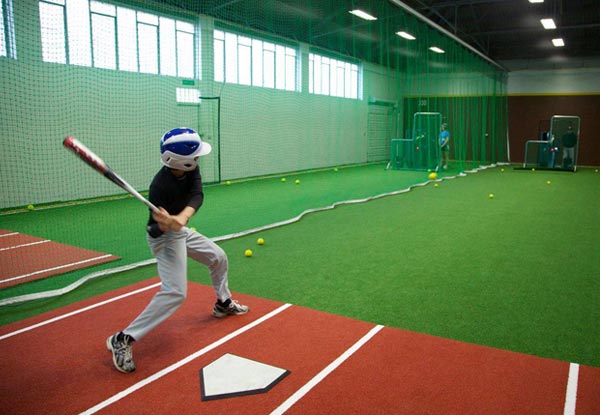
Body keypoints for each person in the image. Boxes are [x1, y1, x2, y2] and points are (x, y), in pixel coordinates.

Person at [107, 127, 249, 373]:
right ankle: (123, 338)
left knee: (217, 257)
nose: (198, 159)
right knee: (176, 292)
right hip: (163, 239)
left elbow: (197, 195)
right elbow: (153, 230)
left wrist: (181, 217)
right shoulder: (160, 187)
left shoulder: (191, 169)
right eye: (194, 156)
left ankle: (223, 303)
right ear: (180, 161)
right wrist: (164, 223)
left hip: (180, 230)